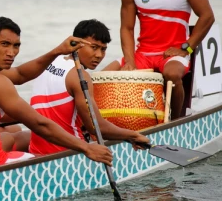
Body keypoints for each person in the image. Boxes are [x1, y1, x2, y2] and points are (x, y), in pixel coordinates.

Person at [0, 17, 113, 171]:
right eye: (4, 44)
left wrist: (57, 51)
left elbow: (20, 75)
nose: (11, 53)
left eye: (16, 46)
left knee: (20, 135)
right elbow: (40, 125)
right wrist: (87, 148)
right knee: (35, 153)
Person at [103, 0, 215, 119]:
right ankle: (103, 126)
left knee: (172, 75)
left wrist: (186, 48)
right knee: (105, 75)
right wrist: (129, 61)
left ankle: (177, 120)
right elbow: (127, 29)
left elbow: (207, 17)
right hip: (144, 53)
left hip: (173, 53)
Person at [28, 19, 150, 155]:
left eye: (103, 49)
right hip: (69, 153)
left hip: (37, 150)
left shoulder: (48, 62)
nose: (99, 55)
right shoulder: (80, 76)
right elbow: (96, 127)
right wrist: (132, 135)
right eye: (94, 47)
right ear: (76, 43)